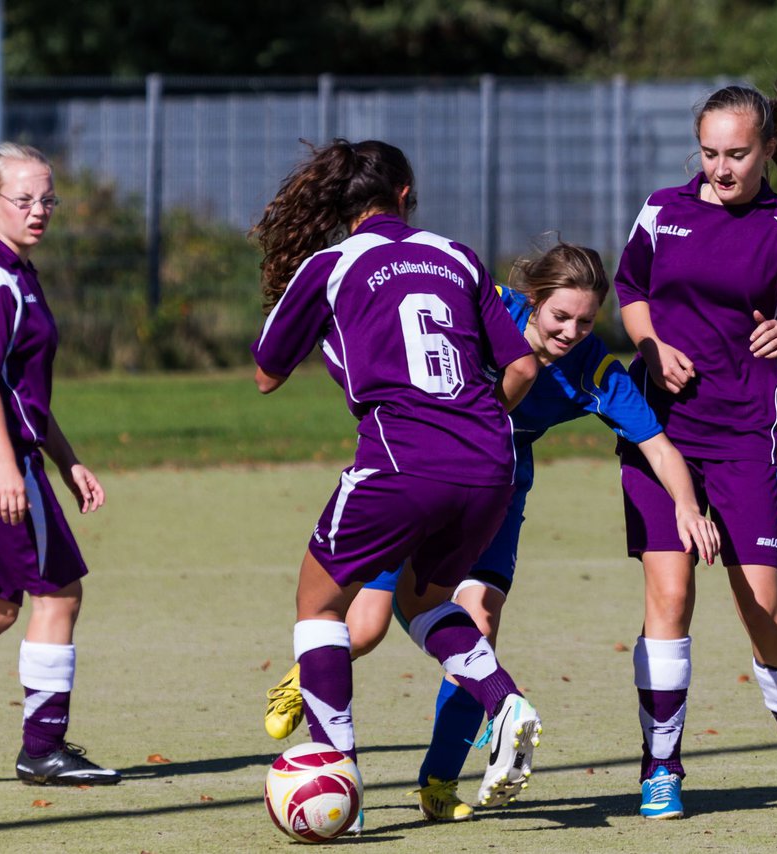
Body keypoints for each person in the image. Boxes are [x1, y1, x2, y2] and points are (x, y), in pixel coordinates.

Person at [262, 241, 720, 822]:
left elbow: (656, 443)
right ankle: (307, 673)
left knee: (477, 622)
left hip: (495, 489)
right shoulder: (481, 307)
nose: (572, 331)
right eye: (560, 316)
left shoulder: (594, 368)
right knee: (368, 625)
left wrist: (686, 505)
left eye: (584, 320)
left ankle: (438, 782)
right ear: (532, 301)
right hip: (417, 467)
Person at [250, 139, 543, 828]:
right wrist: (469, 423)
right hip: (488, 459)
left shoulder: (330, 265)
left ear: (337, 202)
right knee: (424, 601)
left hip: (399, 459)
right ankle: (506, 702)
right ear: (406, 195)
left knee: (319, 605)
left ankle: (337, 774)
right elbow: (523, 367)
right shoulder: (458, 256)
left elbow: (266, 374)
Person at [613, 66, 777, 819]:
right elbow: (631, 294)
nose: (720, 168)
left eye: (737, 154)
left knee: (761, 606)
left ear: (767, 148)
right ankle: (661, 768)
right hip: (662, 437)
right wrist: (649, 349)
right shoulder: (660, 213)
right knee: (670, 597)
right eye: (709, 154)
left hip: (744, 436)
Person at [0, 143, 118, 786]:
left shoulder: (20, 273)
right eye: (24, 199)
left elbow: (22, 389)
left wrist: (69, 461)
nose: (38, 210)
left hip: (1, 456)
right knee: (58, 593)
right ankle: (42, 748)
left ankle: (42, 746)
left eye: (47, 199)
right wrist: (6, 466)